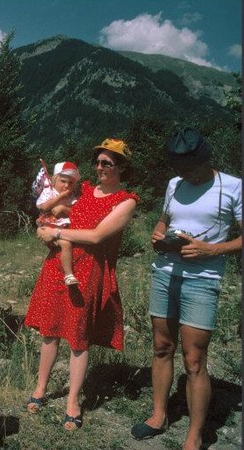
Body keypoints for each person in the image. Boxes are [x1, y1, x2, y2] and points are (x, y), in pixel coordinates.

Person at [130, 127, 242, 450]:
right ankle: (158, 415)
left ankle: (194, 435)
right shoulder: (174, 184)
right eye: (178, 168)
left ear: (205, 159)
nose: (183, 174)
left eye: (188, 168)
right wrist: (157, 236)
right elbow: (163, 221)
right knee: (162, 346)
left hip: (203, 279)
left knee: (194, 359)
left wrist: (211, 250)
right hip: (165, 272)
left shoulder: (232, 187)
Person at [24, 138, 139, 430]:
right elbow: (56, 212)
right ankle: (40, 388)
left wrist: (58, 236)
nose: (100, 167)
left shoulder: (125, 201)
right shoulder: (84, 188)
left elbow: (97, 236)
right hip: (57, 264)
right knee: (49, 329)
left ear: (121, 167)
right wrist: (43, 226)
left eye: (107, 163)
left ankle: (72, 400)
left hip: (88, 271)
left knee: (78, 335)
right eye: (98, 162)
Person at [34, 161, 82, 285]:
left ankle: (65, 270)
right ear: (54, 180)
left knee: (67, 245)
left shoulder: (72, 197)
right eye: (63, 181)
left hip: (64, 228)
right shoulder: (49, 193)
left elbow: (77, 212)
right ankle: (68, 275)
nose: (66, 186)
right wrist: (60, 198)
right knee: (66, 244)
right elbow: (44, 207)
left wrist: (65, 208)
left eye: (71, 183)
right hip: (49, 226)